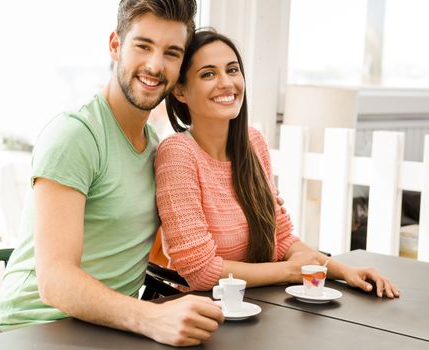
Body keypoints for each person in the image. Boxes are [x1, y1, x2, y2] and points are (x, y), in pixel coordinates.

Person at [0, 1, 224, 347]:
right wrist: (151, 317)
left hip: (107, 331)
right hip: (30, 332)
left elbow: (164, 252)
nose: (155, 65)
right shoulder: (75, 136)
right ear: (116, 45)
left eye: (171, 53)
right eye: (143, 46)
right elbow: (54, 280)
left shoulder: (157, 149)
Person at [154, 29, 400, 299]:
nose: (226, 82)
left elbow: (280, 240)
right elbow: (200, 272)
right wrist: (290, 272)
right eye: (208, 74)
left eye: (233, 70)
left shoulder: (253, 142)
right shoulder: (177, 154)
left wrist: (343, 271)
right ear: (180, 91)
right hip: (201, 310)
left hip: (260, 302)